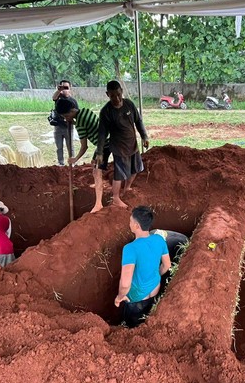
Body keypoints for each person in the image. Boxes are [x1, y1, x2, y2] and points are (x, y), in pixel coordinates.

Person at [96, 80, 149, 209]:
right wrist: (99, 152)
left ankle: (127, 188)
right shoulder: (106, 112)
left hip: (133, 145)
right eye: (113, 96)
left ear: (122, 92)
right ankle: (115, 198)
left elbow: (138, 121)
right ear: (107, 94)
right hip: (119, 148)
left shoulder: (129, 105)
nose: (117, 98)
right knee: (119, 175)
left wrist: (144, 136)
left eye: (119, 94)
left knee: (136, 169)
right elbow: (102, 133)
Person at [115, 206, 171, 328]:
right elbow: (167, 265)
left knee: (131, 323)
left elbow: (125, 284)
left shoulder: (130, 249)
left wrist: (120, 297)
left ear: (136, 226)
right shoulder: (159, 239)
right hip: (155, 288)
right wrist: (156, 275)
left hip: (137, 296)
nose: (129, 223)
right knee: (147, 313)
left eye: (130, 221)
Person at [55, 99, 110, 213]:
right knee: (94, 165)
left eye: (65, 116)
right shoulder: (85, 111)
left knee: (97, 172)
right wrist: (73, 122)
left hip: (105, 145)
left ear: (70, 112)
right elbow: (86, 123)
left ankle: (98, 203)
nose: (66, 119)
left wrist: (75, 159)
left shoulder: (80, 125)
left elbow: (84, 147)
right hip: (108, 140)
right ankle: (98, 193)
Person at [51, 80, 78, 166]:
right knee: (59, 147)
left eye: (66, 87)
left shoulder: (73, 101)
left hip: (68, 127)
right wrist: (59, 90)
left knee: (70, 146)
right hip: (58, 127)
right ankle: (60, 163)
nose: (64, 90)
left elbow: (76, 113)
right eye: (63, 87)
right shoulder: (58, 98)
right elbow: (54, 98)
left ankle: (72, 162)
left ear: (70, 88)